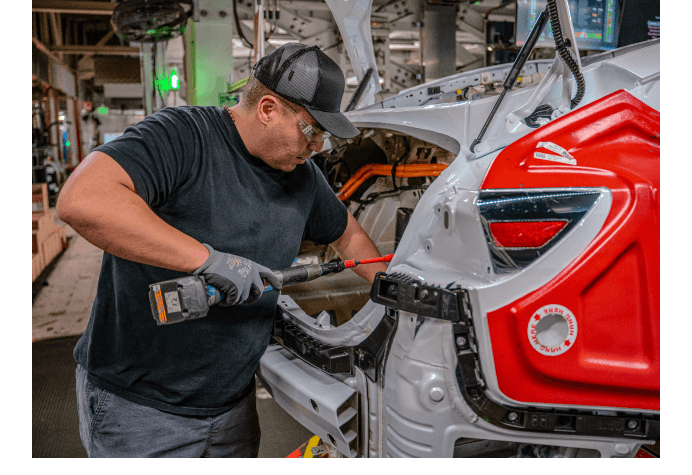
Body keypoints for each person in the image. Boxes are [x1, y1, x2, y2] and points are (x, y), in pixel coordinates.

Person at [56, 43, 388, 458]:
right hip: (140, 410)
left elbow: (348, 236)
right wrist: (208, 260)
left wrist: (392, 289)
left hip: (232, 406)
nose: (318, 146)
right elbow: (82, 199)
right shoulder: (183, 136)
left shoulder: (301, 175)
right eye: (312, 130)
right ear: (268, 109)